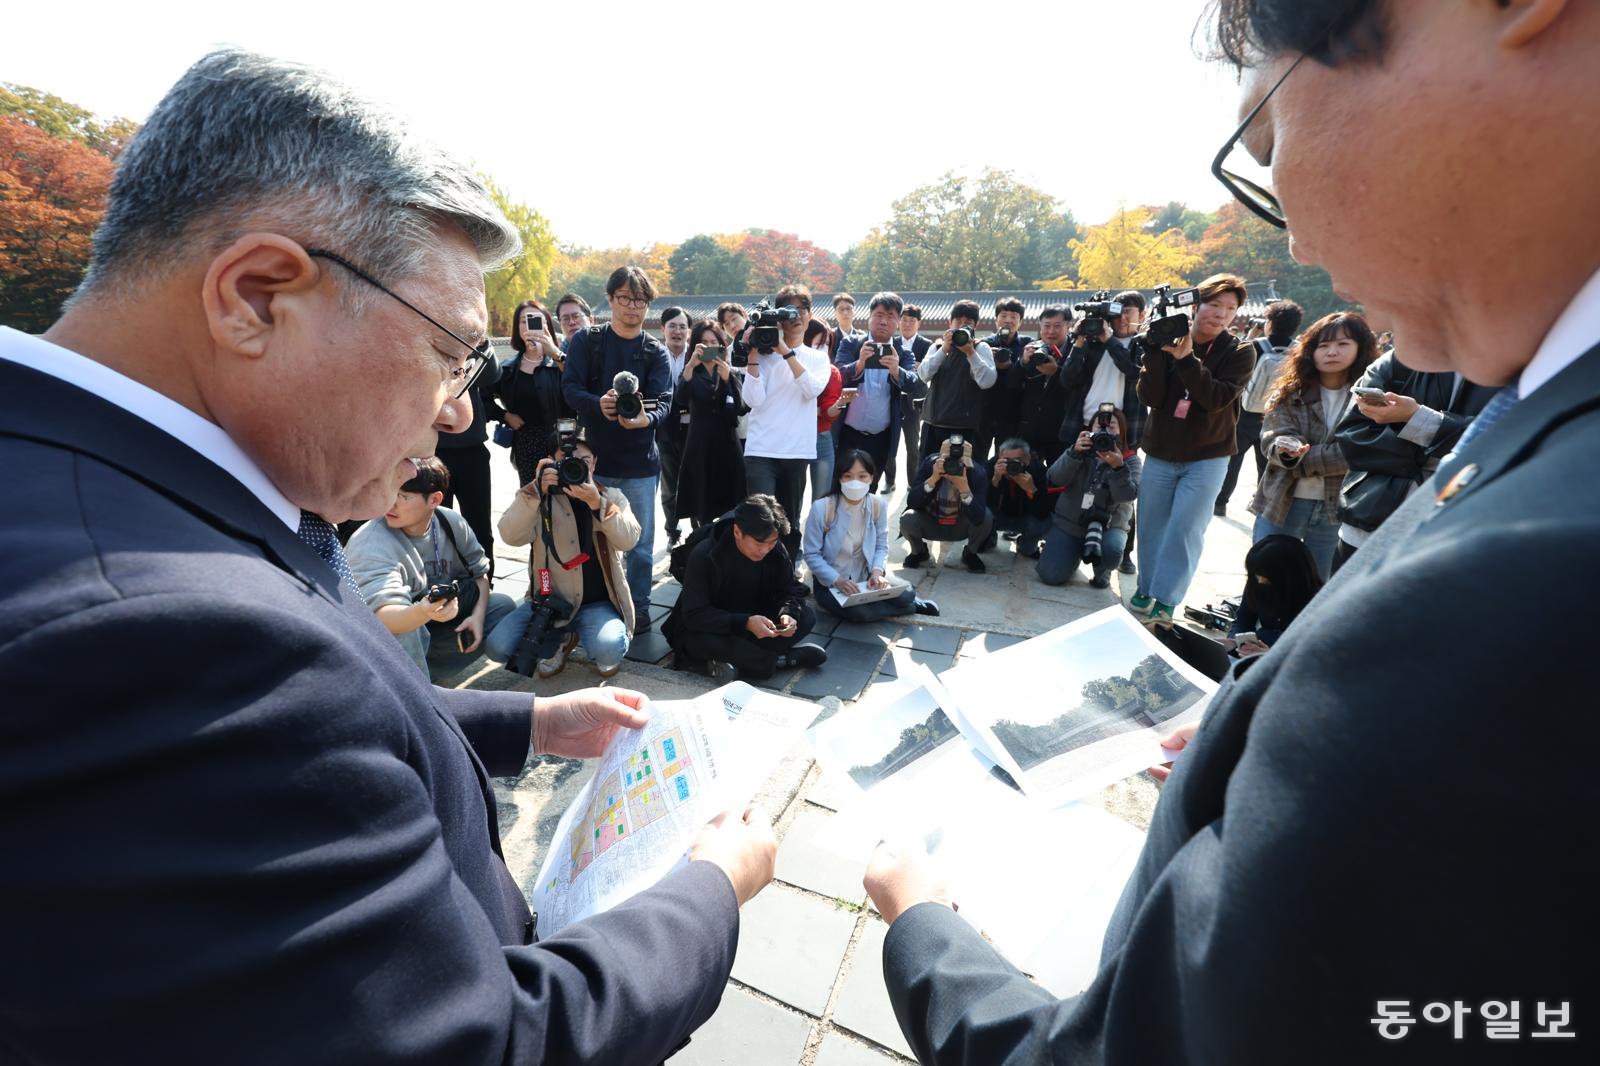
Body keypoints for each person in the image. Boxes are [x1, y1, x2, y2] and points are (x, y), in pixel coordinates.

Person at [0, 48, 776, 1063]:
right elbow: (483, 1041)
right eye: (450, 351)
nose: (458, 408)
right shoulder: (161, 636)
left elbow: (310, 724)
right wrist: (711, 885)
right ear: (256, 296)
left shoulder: (88, 475)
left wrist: (531, 721)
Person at [867, 0, 1600, 1059]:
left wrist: (923, 919)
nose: (1290, 232)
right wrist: (1258, 733)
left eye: (1264, 140)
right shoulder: (1543, 425)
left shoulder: (1525, 585)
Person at [1129, 273, 1254, 626]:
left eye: (1230, 309)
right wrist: (1155, 352)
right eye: (1215, 305)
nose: (1221, 314)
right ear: (1195, 306)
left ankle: (1167, 598)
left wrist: (1186, 360)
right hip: (1161, 450)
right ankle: (1146, 585)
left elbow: (1215, 398)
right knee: (1152, 524)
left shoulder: (1242, 351)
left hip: (1208, 455)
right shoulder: (1170, 336)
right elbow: (1151, 397)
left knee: (1186, 528)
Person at [561, 266, 673, 634]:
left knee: (640, 545)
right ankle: (593, 602)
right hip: (595, 462)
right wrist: (598, 404)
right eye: (624, 298)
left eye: (639, 299)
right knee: (591, 539)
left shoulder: (654, 350)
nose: (632, 306)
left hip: (641, 464)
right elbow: (570, 388)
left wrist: (645, 419)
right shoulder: (587, 342)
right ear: (609, 300)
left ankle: (638, 608)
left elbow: (665, 401)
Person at [346, 456, 518, 677]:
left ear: (435, 499)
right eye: (390, 492)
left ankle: (427, 675)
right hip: (389, 636)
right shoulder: (370, 542)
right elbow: (383, 617)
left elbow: (480, 575)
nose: (391, 503)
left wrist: (476, 616)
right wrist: (424, 611)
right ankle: (413, 690)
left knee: (500, 606)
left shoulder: (450, 522)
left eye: (403, 496)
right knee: (406, 631)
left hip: (436, 624)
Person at [1330, 348, 1499, 572]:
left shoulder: (1514, 369)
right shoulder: (1396, 360)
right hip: (1367, 522)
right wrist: (1436, 443)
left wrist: (1416, 418)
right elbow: (1353, 434)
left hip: (1452, 536)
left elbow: (1502, 439)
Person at [486, 434, 639, 678]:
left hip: (596, 603)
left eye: (584, 460)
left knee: (609, 649)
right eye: (565, 460)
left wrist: (596, 502)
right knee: (498, 647)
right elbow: (510, 536)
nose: (575, 465)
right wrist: (535, 489)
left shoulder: (610, 495)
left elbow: (629, 540)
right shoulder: (539, 497)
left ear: (595, 463)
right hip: (549, 602)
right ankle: (561, 641)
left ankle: (578, 637)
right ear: (550, 463)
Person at [1248, 311, 1376, 579]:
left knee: (1318, 583)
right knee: (1267, 576)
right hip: (1283, 500)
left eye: (1343, 344)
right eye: (1324, 345)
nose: (1332, 352)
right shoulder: (1289, 392)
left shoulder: (1369, 399)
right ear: (1310, 350)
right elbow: (1272, 438)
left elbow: (1360, 450)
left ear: (1360, 349)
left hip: (1336, 507)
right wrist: (1285, 448)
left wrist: (1304, 458)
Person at [663, 494, 828, 683]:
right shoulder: (705, 555)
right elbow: (694, 615)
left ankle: (740, 661)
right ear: (737, 532)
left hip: (756, 620)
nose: (765, 550)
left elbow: (790, 589)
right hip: (715, 626)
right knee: (700, 641)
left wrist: (788, 612)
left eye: (771, 543)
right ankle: (781, 659)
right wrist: (744, 623)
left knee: (806, 616)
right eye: (759, 543)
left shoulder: (774, 549)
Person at [739, 284, 832, 560]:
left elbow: (812, 390)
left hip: (796, 450)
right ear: (778, 316)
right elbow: (753, 400)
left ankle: (787, 572)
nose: (796, 315)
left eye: (801, 309)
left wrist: (785, 352)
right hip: (761, 451)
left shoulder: (817, 357)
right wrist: (754, 356)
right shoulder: (763, 356)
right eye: (789, 310)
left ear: (810, 314)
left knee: (789, 520)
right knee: (759, 519)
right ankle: (755, 575)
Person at [804, 450, 939, 622]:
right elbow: (811, 554)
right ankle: (909, 608)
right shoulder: (822, 508)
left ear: (872, 478)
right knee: (861, 614)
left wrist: (877, 573)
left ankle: (900, 603)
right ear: (839, 478)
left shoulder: (877, 504)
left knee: (907, 594)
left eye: (862, 476)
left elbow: (881, 545)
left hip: (867, 575)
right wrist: (837, 580)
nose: (855, 482)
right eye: (848, 476)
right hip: (831, 584)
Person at [1037, 408, 1141, 588]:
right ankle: (1073, 554)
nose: (1105, 432)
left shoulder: (1130, 460)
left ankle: (1102, 567)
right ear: (1089, 429)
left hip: (1108, 527)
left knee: (1112, 551)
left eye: (1111, 427)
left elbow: (1126, 496)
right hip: (1071, 523)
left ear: (1121, 431)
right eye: (1100, 427)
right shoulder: (1079, 451)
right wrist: (1073, 454)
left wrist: (1117, 468)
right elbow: (1054, 478)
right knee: (1050, 576)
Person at [1219, 298, 1303, 514]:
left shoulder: (1255, 345)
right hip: (1276, 416)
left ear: (1270, 322)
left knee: (1232, 462)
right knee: (1266, 465)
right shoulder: (1299, 351)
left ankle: (1220, 503)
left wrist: (1249, 337)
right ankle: (1262, 505)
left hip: (1244, 414)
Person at [835, 292, 925, 490]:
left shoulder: (902, 352)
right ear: (869, 317)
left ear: (898, 321)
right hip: (848, 433)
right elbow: (837, 375)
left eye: (891, 316)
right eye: (878, 315)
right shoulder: (851, 344)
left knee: (869, 491)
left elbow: (913, 383)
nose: (883, 321)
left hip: (881, 437)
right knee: (841, 488)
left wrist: (896, 370)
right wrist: (858, 364)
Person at [434, 332, 503, 580]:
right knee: (437, 525)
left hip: (472, 450)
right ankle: (441, 583)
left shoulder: (467, 344)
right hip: (433, 451)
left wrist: (481, 342)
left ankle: (486, 582)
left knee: (479, 524)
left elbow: (491, 375)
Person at [674, 321, 749, 527]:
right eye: (703, 342)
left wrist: (726, 380)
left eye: (713, 341)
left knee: (732, 498)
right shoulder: (692, 371)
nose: (708, 346)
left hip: (727, 442)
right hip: (700, 442)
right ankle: (701, 540)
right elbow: (680, 398)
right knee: (702, 499)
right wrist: (690, 365)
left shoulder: (728, 370)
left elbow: (741, 407)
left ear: (721, 344)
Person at [496, 298, 570, 484]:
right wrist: (505, 415)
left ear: (547, 325)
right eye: (524, 321)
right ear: (517, 327)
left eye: (537, 320)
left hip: (565, 442)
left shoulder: (561, 361)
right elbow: (483, 399)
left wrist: (553, 351)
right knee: (533, 500)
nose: (529, 325)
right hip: (527, 445)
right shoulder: (507, 369)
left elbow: (580, 382)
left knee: (569, 502)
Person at [916, 299, 998, 460]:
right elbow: (923, 375)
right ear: (950, 322)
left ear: (975, 326)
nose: (961, 326)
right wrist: (944, 350)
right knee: (927, 473)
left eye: (967, 323)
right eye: (958, 321)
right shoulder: (938, 347)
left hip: (965, 426)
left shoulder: (981, 348)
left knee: (962, 476)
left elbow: (987, 381)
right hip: (933, 423)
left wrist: (970, 353)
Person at [900, 436, 992, 573]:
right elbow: (912, 502)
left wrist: (964, 489)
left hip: (960, 524)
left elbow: (979, 517)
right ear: (939, 459)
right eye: (948, 462)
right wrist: (933, 479)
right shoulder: (929, 465)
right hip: (932, 521)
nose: (953, 466)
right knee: (907, 518)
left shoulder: (977, 472)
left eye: (960, 463)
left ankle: (970, 553)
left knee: (987, 517)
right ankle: (919, 551)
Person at [1225, 533, 1322, 656]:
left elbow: (1310, 656)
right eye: (1256, 575)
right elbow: (1242, 622)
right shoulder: (1258, 580)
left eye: (1265, 577)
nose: (1260, 581)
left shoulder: (1318, 604)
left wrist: (1269, 655)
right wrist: (1235, 642)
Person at [1006, 306, 1071, 467]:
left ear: (1068, 326)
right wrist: (1021, 364)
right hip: (1031, 429)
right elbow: (1011, 386)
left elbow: (1079, 385)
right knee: (1028, 477)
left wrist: (1057, 372)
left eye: (1057, 326)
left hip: (1062, 431)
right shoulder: (1033, 349)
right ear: (1040, 326)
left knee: (1057, 482)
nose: (1051, 331)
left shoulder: (1076, 351)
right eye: (1047, 325)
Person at [975, 296, 1029, 464]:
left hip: (1012, 413)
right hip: (983, 411)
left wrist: (1014, 365)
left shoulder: (1027, 345)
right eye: (1004, 316)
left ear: (1020, 321)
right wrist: (984, 357)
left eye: (1014, 317)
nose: (1008, 321)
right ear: (996, 319)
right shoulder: (984, 344)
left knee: (1006, 461)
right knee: (977, 459)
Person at [657, 305, 693, 547]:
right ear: (663, 329)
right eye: (672, 326)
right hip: (666, 428)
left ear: (689, 331)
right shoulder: (655, 354)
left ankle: (699, 531)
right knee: (670, 485)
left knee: (695, 481)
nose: (677, 331)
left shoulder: (697, 354)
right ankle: (673, 531)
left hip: (694, 428)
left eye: (682, 327)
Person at [888, 304, 932, 493]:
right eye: (904, 320)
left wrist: (921, 365)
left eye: (911, 321)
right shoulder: (892, 343)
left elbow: (929, 370)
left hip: (915, 400)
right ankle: (889, 481)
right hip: (893, 397)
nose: (907, 324)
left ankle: (912, 481)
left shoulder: (926, 344)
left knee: (913, 443)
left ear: (918, 323)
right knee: (890, 442)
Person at [984, 439, 1052, 559]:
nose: (1011, 465)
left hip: (1026, 519)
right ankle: (988, 538)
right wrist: (995, 480)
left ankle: (1026, 545)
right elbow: (983, 503)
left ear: (1028, 459)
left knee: (1046, 523)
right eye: (1007, 460)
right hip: (998, 517)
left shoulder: (1039, 470)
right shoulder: (992, 466)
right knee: (983, 514)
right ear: (1000, 456)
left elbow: (1044, 513)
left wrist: (1031, 490)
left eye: (1017, 461)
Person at [830, 291, 865, 358]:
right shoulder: (830, 336)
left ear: (854, 312)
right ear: (835, 313)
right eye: (841, 309)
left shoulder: (862, 336)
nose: (845, 313)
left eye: (848, 309)